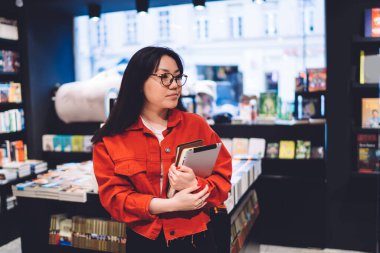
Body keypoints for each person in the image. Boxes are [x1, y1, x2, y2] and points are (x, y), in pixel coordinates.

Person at [91, 46, 232, 253]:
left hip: (197, 237)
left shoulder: (196, 126)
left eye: (177, 77)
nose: (175, 85)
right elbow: (114, 199)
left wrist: (195, 184)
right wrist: (171, 204)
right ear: (139, 83)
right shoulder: (111, 138)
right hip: (145, 241)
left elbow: (223, 181)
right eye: (164, 77)